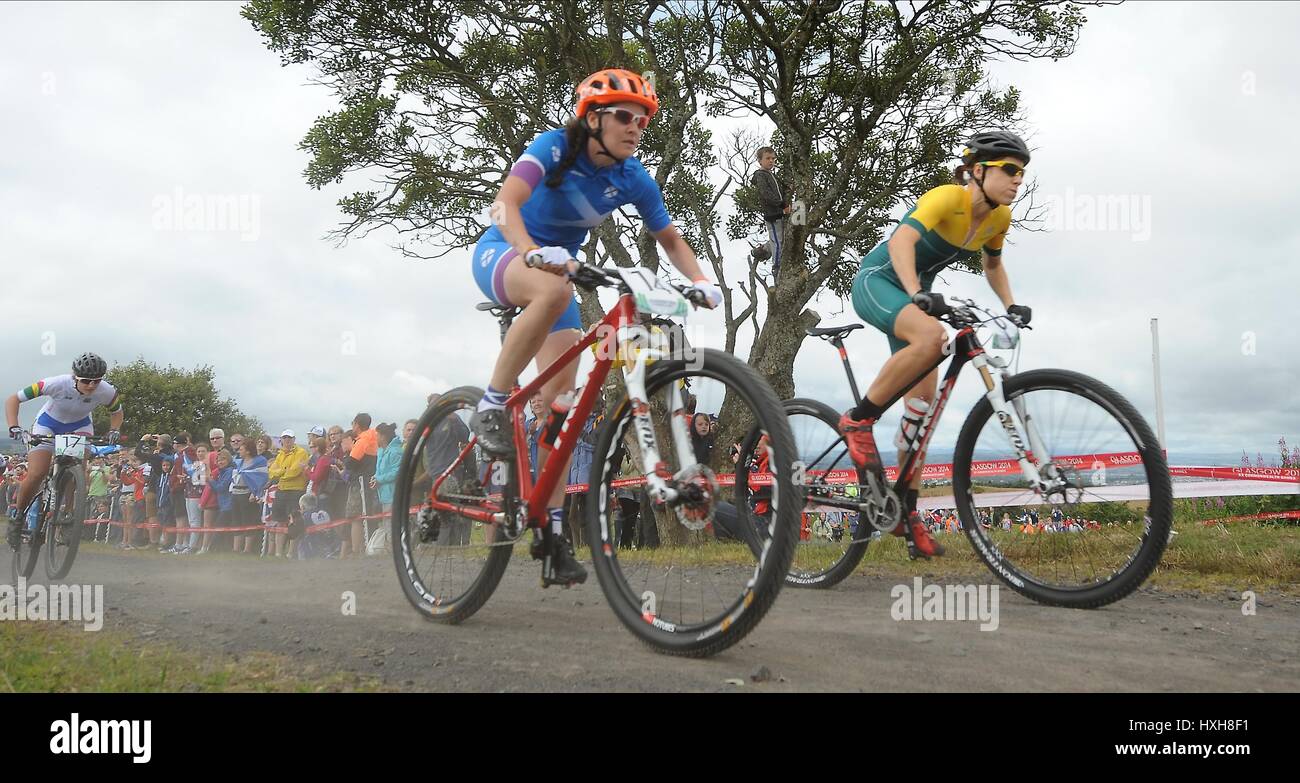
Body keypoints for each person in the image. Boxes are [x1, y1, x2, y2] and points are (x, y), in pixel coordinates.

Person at [467, 67, 722, 586]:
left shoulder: (632, 176)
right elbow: (504, 204)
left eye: (643, 121)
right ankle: (492, 403)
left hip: (557, 271)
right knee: (556, 288)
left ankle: (552, 529)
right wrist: (531, 251)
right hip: (504, 252)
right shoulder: (555, 148)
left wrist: (701, 279)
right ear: (593, 118)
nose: (635, 127)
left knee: (561, 407)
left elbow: (670, 239)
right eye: (625, 117)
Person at [840, 131, 1035, 560]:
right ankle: (857, 421)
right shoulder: (949, 197)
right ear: (978, 171)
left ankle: (906, 515)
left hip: (914, 293)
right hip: (880, 281)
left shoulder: (998, 219)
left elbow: (993, 263)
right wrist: (916, 293)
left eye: (1022, 172)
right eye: (1009, 170)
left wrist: (1012, 304)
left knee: (922, 411)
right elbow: (900, 241)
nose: (1017, 180)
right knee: (933, 337)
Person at [4, 352, 124, 546]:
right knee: (37, 473)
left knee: (77, 471)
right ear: (75, 377)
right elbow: (13, 399)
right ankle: (17, 518)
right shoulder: (55, 383)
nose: (92, 386)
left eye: (97, 381)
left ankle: (68, 515)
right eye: (86, 381)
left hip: (80, 426)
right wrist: (13, 426)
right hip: (48, 425)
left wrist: (114, 430)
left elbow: (117, 413)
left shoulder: (107, 391)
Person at [751, 146, 791, 286]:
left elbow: (780, 189)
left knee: (779, 238)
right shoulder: (761, 175)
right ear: (760, 160)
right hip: (772, 214)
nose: (771, 161)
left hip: (778, 212)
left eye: (773, 159)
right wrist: (782, 206)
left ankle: (763, 250)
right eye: (767, 158)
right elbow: (766, 195)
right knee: (778, 241)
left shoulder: (771, 175)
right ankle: (777, 266)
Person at [267, 429, 310, 558]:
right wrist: (283, 472)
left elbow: (295, 472)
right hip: (282, 490)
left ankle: (291, 552)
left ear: (294, 439)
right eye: (284, 438)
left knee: (294, 521)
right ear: (281, 440)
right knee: (279, 521)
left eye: (289, 438)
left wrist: (281, 473)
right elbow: (271, 472)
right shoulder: (280, 454)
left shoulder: (301, 452)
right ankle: (279, 553)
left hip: (296, 490)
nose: (287, 440)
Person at [230, 439, 268, 554]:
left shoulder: (259, 461)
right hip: (236, 493)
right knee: (236, 520)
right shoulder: (238, 461)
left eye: (241, 449)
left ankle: (247, 549)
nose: (239, 451)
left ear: (247, 451)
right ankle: (236, 548)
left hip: (248, 494)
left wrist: (255, 492)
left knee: (248, 521)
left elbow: (261, 478)